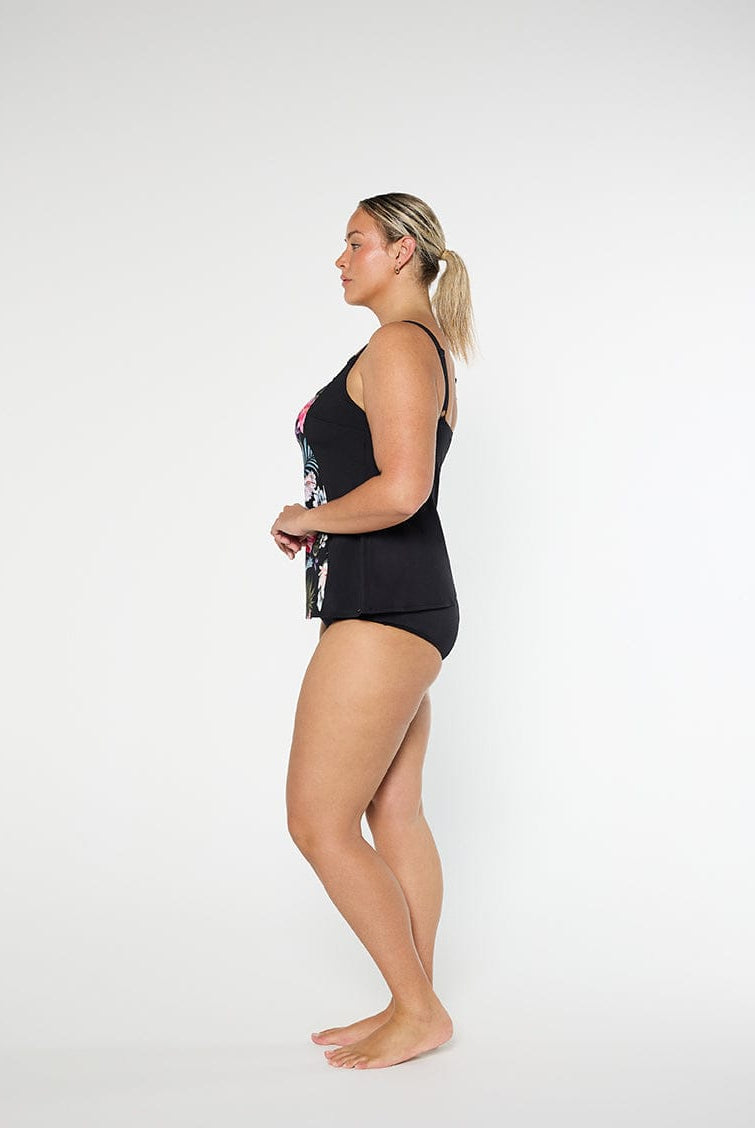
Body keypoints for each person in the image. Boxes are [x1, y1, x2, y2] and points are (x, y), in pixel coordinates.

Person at [270, 192, 477, 1069]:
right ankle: (411, 1003)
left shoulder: (400, 346)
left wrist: (304, 514)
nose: (340, 257)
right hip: (404, 599)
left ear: (401, 253)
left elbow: (401, 490)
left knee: (317, 822)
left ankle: (417, 1009)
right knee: (392, 810)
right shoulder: (416, 349)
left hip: (384, 604)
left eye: (355, 242)